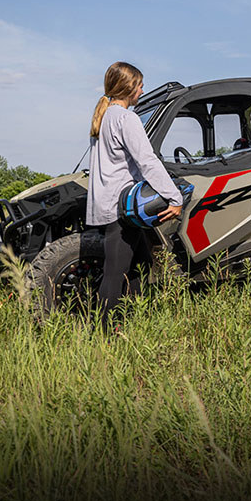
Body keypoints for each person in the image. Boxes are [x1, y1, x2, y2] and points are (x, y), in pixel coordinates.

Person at [87, 61, 183, 328]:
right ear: (129, 88)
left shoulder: (104, 117)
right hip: (123, 208)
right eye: (140, 85)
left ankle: (131, 322)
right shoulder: (126, 118)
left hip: (108, 204)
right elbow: (147, 161)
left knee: (141, 263)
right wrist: (174, 197)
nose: (142, 90)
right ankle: (107, 334)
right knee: (115, 274)